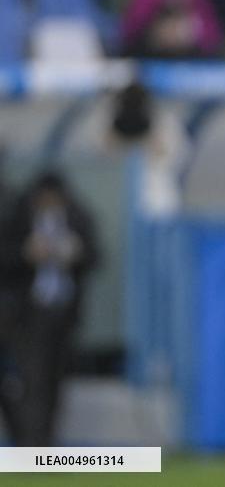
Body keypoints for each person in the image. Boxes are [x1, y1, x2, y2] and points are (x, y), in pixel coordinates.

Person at [1, 171, 98, 446]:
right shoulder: (19, 219)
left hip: (64, 312)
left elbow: (95, 256)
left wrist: (75, 254)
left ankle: (44, 445)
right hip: (28, 315)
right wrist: (26, 254)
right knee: (32, 380)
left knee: (54, 382)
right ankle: (31, 445)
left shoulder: (78, 218)